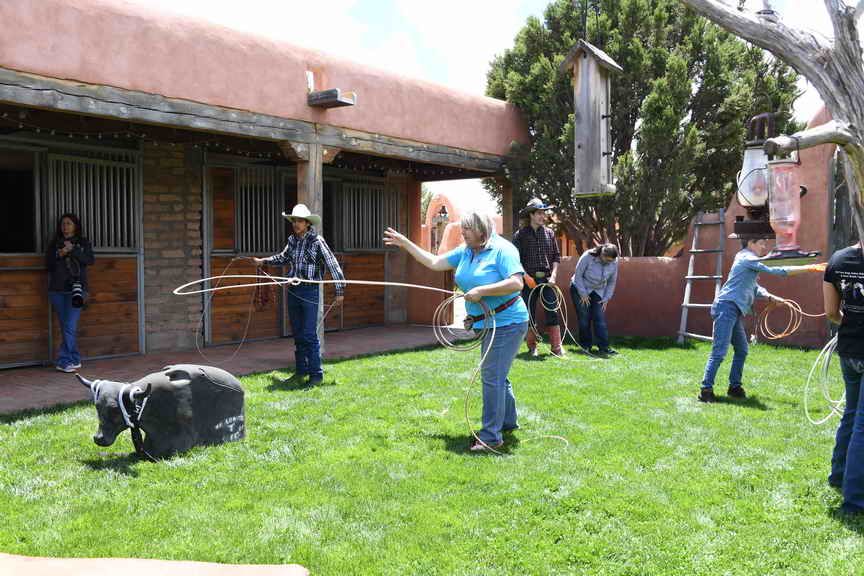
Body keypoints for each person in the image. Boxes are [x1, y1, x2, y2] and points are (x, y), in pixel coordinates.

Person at [384, 210, 528, 452]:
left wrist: (482, 291)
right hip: (486, 323)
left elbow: (517, 283)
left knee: (492, 377)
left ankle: (491, 437)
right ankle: (508, 422)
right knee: (497, 374)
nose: (463, 234)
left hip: (508, 322)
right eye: (462, 230)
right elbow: (434, 263)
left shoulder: (503, 250)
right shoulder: (467, 251)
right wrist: (406, 243)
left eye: (467, 230)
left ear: (482, 230)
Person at [698, 237, 822, 403]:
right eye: (761, 243)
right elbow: (778, 270)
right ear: (751, 243)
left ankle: (734, 387)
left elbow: (754, 288)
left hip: (733, 309)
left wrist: (770, 297)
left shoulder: (747, 259)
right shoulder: (747, 257)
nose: (764, 246)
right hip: (726, 308)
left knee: (742, 350)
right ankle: (705, 390)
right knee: (719, 352)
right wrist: (809, 267)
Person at [254, 204, 345, 387]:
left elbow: (333, 264)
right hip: (293, 291)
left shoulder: (317, 241)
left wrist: (340, 290)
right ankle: (301, 371)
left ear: (307, 223)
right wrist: (264, 261)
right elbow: (283, 258)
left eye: (300, 221)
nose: (296, 224)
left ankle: (316, 375)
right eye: (294, 221)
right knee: (297, 333)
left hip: (310, 290)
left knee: (309, 334)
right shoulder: (292, 241)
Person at [823, 242, 864, 514]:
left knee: (851, 414)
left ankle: (838, 475)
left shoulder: (838, 260)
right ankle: (855, 499)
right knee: (862, 423)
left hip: (848, 350)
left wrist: (850, 323)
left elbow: (831, 312)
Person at [512, 198, 564, 357]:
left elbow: (556, 257)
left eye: (544, 213)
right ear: (531, 215)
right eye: (540, 213)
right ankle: (532, 347)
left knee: (552, 311)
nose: (543, 216)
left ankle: (556, 348)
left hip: (547, 280)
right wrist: (526, 277)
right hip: (529, 279)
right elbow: (515, 260)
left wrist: (554, 276)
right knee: (529, 313)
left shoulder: (549, 233)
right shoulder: (520, 235)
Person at [46, 213, 95, 373]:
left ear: (75, 226)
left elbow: (90, 260)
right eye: (63, 224)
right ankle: (74, 358)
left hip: (77, 289)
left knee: (69, 325)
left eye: (68, 223)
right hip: (57, 290)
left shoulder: (83, 242)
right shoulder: (55, 243)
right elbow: (48, 265)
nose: (65, 226)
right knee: (66, 326)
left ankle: (64, 361)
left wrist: (72, 250)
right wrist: (59, 254)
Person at [570, 243, 619, 356]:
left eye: (611, 261)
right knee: (584, 318)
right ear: (601, 254)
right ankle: (585, 346)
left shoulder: (614, 261)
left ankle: (604, 347)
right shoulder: (588, 256)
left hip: (598, 290)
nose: (609, 262)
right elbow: (578, 275)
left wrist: (606, 298)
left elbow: (612, 281)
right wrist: (583, 294)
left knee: (599, 318)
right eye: (606, 260)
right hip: (580, 287)